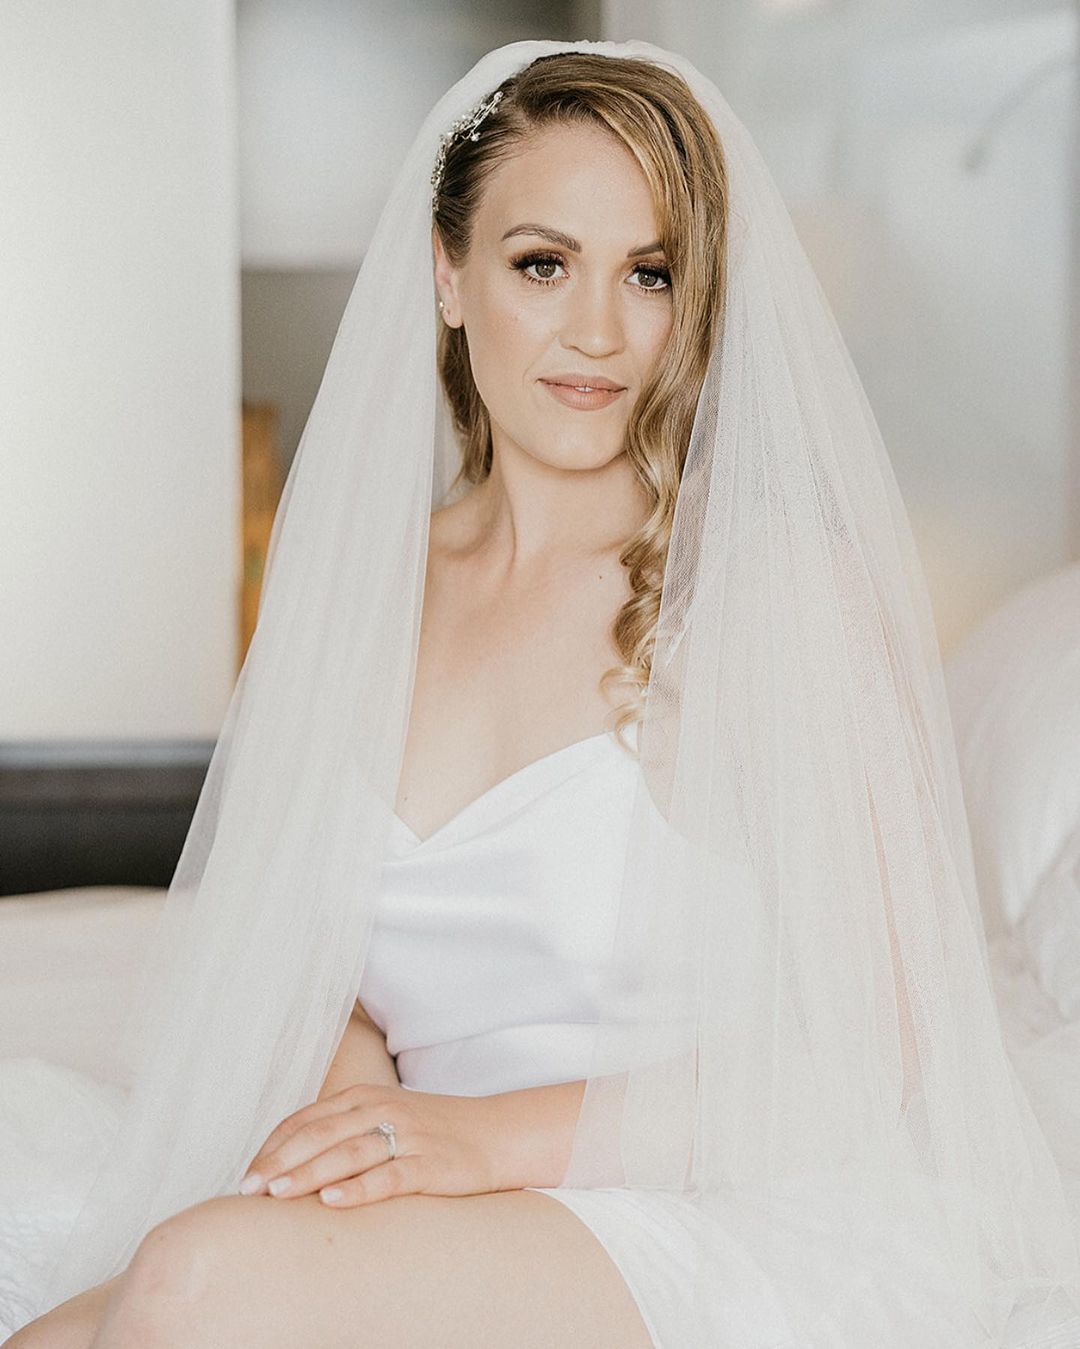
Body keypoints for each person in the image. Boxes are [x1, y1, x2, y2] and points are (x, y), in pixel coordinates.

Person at [6, 37, 1080, 1349]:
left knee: (191, 1282)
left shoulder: (765, 590)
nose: (598, 332)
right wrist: (355, 1125)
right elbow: (324, 955)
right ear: (448, 275)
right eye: (542, 263)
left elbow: (877, 1051)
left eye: (650, 273)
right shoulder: (365, 584)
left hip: (719, 1207)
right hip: (456, 1206)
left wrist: (473, 1140)